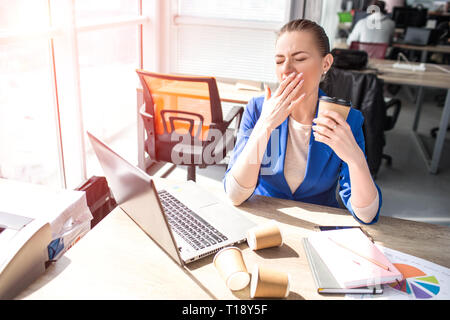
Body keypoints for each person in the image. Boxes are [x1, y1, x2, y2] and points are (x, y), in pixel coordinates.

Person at [223, 19, 382, 225]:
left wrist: (355, 159)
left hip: (317, 228)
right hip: (260, 222)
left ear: (326, 63)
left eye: (299, 59)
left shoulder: (346, 119)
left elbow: (366, 214)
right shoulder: (258, 109)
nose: (286, 69)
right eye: (279, 61)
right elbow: (235, 195)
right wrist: (265, 126)